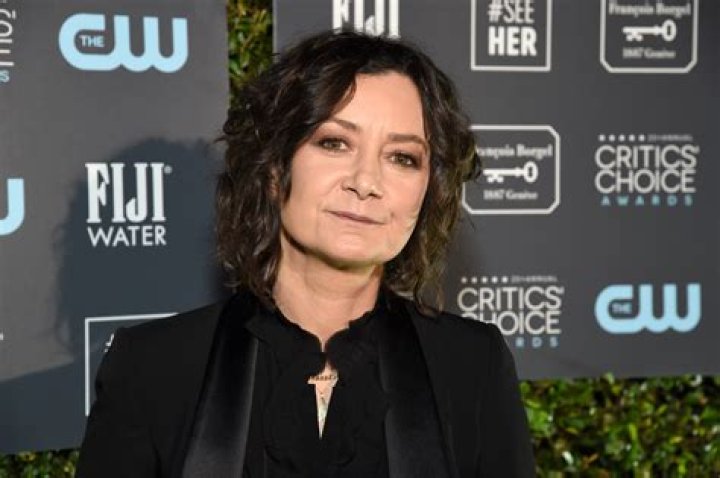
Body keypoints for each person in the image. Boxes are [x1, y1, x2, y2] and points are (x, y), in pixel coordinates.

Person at [76, 30, 535, 477]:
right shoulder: (152, 368)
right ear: (274, 169)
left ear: (426, 191)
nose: (366, 182)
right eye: (334, 143)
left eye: (402, 157)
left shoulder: (473, 365)